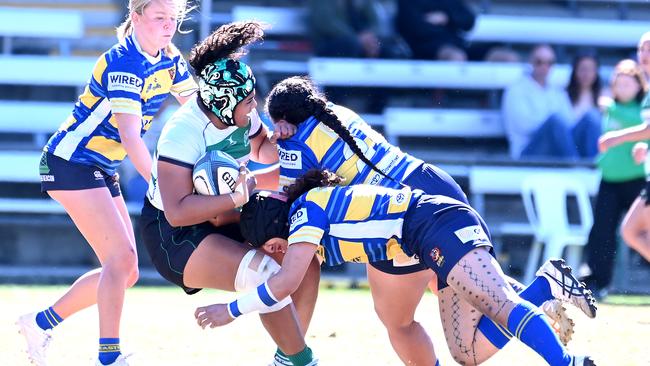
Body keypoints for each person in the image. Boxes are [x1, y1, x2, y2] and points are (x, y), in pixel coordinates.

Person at [259, 76, 577, 364]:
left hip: (399, 213)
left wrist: (269, 153)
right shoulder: (336, 112)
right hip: (435, 184)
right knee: (464, 288)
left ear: (284, 121)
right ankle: (543, 290)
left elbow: (285, 200)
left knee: (418, 329)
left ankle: (541, 290)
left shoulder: (294, 140)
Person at [195, 169, 598, 366]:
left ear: (276, 242)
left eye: (271, 250)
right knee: (468, 351)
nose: (276, 257)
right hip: (415, 243)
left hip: (434, 225)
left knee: (499, 303)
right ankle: (543, 287)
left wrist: (228, 310)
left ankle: (568, 363)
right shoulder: (303, 212)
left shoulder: (305, 217)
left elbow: (284, 283)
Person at [17, 1, 198, 365]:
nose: (168, 26)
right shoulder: (124, 61)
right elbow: (131, 138)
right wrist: (161, 187)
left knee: (126, 270)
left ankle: (39, 324)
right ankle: (109, 357)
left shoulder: (170, 57)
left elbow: (195, 109)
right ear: (136, 17)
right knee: (120, 260)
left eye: (173, 19)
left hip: (98, 167)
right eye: (159, 18)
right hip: (70, 162)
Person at [138, 21, 319, 366]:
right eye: (249, 101)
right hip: (174, 234)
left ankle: (288, 354)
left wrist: (283, 136)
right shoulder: (181, 133)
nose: (255, 107)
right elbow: (176, 211)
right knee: (264, 272)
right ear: (224, 101)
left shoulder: (238, 116)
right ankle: (303, 361)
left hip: (224, 215)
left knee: (303, 262)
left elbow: (265, 150)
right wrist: (237, 198)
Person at [578, 59, 648, 299]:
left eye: (629, 84)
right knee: (602, 233)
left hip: (638, 180)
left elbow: (642, 128)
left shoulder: (640, 109)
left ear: (639, 86)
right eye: (619, 84)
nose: (624, 89)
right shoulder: (609, 107)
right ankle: (597, 283)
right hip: (610, 180)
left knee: (641, 232)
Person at [502, 44, 600, 160]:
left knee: (591, 117)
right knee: (555, 122)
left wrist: (557, 128)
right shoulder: (516, 90)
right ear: (531, 62)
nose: (544, 66)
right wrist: (552, 125)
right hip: (528, 152)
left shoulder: (556, 91)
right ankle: (577, 168)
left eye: (549, 63)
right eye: (539, 62)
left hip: (556, 149)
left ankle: (595, 167)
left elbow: (569, 122)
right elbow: (524, 126)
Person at [307, 0, 410, 59]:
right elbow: (325, 22)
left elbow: (375, 20)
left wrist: (370, 38)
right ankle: (337, 94)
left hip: (360, 43)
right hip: (329, 43)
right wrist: (358, 38)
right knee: (351, 45)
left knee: (385, 51)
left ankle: (379, 96)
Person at [566, 49, 604, 136]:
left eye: (591, 69)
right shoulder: (563, 96)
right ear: (575, 70)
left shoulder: (604, 97)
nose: (586, 74)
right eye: (583, 69)